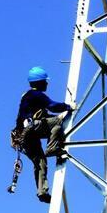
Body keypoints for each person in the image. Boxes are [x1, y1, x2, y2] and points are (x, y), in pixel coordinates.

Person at [15, 66, 72, 204]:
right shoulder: (36, 94)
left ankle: (42, 192)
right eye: (45, 81)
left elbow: (44, 116)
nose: (47, 84)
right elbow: (52, 106)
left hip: (24, 135)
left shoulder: (27, 97)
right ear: (40, 82)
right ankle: (52, 148)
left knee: (40, 161)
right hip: (32, 129)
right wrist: (68, 107)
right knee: (58, 122)